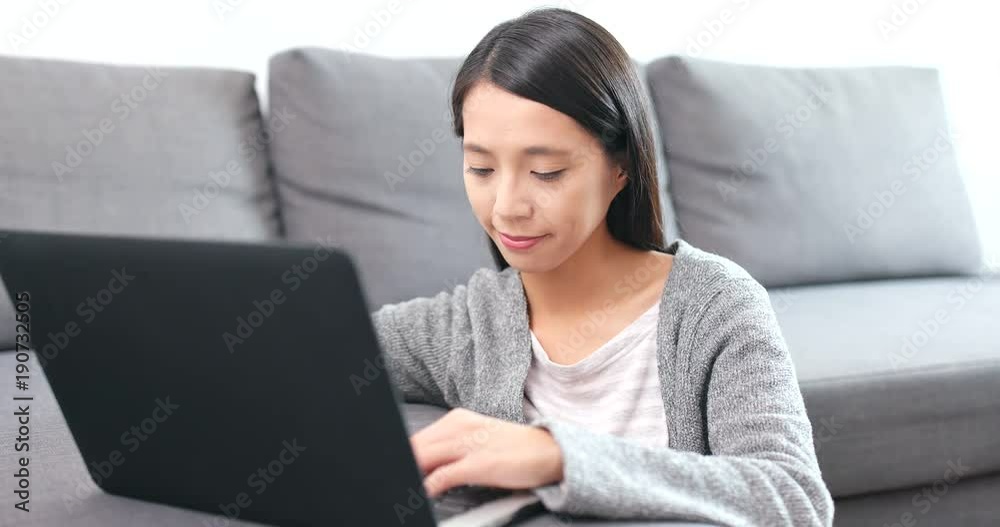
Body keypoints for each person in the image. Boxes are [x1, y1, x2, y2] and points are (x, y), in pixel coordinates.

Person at [371, 7, 834, 526]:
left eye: (546, 172)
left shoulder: (713, 305)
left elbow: (793, 500)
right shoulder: (466, 325)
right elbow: (312, 357)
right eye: (481, 167)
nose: (506, 206)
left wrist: (556, 456)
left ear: (621, 167)